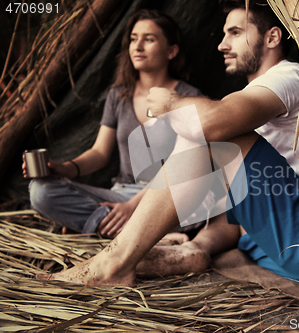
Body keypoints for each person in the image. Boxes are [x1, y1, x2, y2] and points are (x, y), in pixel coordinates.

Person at [38, 0, 299, 288]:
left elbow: (210, 125)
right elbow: (239, 199)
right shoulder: (258, 99)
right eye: (224, 34)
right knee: (224, 168)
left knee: (213, 137)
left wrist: (170, 102)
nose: (223, 44)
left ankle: (113, 263)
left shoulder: (288, 76)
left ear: (272, 37)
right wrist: (200, 245)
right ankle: (193, 249)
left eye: (235, 33)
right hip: (298, 248)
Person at [23, 9, 208, 239]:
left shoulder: (190, 98)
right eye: (133, 39)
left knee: (196, 207)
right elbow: (100, 153)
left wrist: (132, 207)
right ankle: (125, 231)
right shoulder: (118, 96)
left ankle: (99, 226)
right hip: (121, 195)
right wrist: (64, 168)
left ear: (172, 51)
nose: (137, 46)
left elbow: (183, 166)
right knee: (40, 191)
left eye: (148, 39)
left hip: (167, 197)